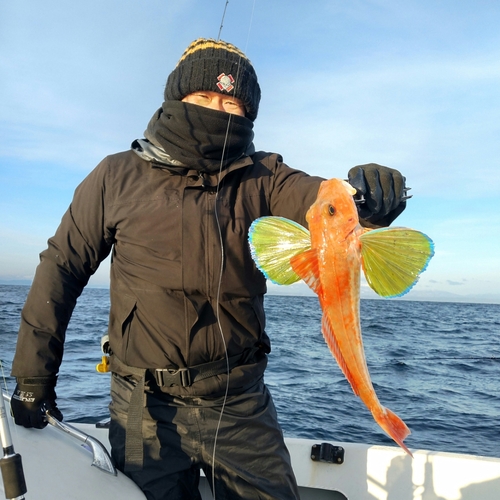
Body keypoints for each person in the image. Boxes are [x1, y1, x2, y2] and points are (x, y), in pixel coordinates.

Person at [10, 38, 408, 500]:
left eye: (231, 102)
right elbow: (61, 270)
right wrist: (34, 378)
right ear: (176, 98)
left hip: (240, 402)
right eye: (203, 97)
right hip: (142, 405)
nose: (216, 110)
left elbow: (324, 204)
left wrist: (368, 198)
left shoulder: (265, 176)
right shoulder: (114, 176)